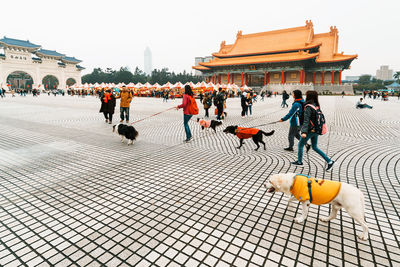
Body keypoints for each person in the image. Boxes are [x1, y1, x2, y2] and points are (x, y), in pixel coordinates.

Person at [292, 91, 334, 171]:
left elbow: (306, 120)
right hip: (316, 130)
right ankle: (329, 161)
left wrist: (304, 132)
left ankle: (300, 162)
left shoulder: (308, 107)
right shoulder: (316, 105)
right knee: (314, 147)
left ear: (309, 96)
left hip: (310, 130)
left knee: (300, 145)